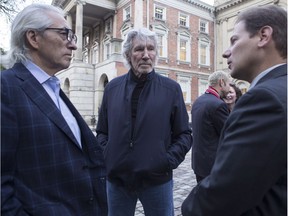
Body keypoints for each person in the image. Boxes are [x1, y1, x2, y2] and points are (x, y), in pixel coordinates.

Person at [1, 4, 107, 215]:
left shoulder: (53, 88)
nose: (73, 45)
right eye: (64, 34)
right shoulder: (6, 89)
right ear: (33, 38)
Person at [182, 5, 287, 216]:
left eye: (234, 40)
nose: (225, 52)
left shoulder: (263, 99)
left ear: (263, 36)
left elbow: (224, 194)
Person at [96, 27, 192, 216]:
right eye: (139, 49)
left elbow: (184, 134)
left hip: (157, 181)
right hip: (117, 181)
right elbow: (102, 132)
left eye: (151, 49)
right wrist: (109, 155)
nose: (146, 55)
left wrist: (165, 160)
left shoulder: (171, 89)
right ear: (128, 54)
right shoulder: (112, 88)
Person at [191, 71, 230, 183]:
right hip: (213, 165)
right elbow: (228, 134)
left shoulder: (198, 101)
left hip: (199, 163)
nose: (229, 88)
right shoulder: (218, 105)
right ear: (221, 83)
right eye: (228, 84)